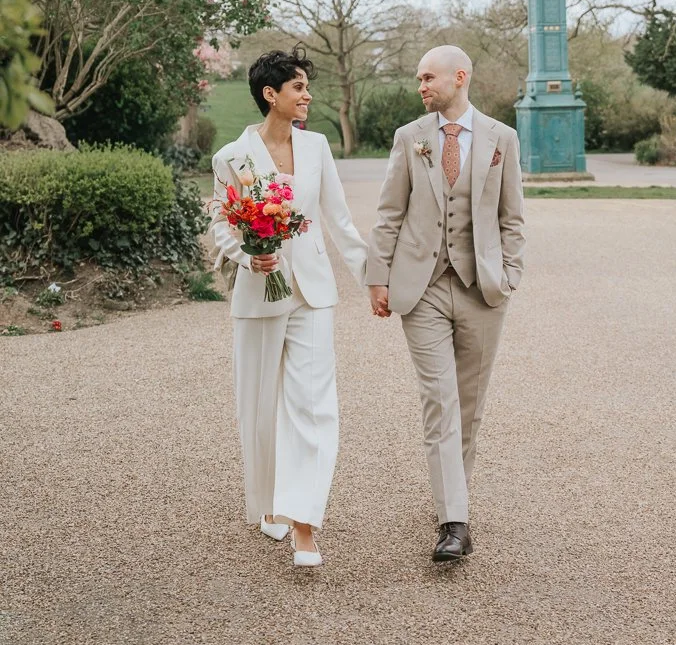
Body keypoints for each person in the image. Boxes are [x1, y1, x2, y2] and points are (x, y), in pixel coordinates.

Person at [367, 46, 525, 562]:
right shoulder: (410, 138)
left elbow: (512, 218)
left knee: (470, 405)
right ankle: (454, 521)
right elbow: (389, 212)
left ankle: (449, 493)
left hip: (483, 288)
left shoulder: (503, 138)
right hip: (423, 287)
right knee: (440, 400)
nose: (421, 85)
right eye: (418, 79)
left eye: (428, 77)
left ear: (460, 77)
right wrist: (378, 276)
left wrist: (511, 274)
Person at [210, 46, 367, 568]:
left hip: (313, 293)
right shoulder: (231, 158)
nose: (308, 95)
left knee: (314, 405)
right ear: (270, 94)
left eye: (306, 86)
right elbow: (221, 225)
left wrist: (375, 278)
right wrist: (246, 253)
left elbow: (340, 221)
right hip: (260, 295)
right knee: (259, 405)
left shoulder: (318, 146)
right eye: (299, 87)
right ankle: (271, 504)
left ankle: (305, 523)